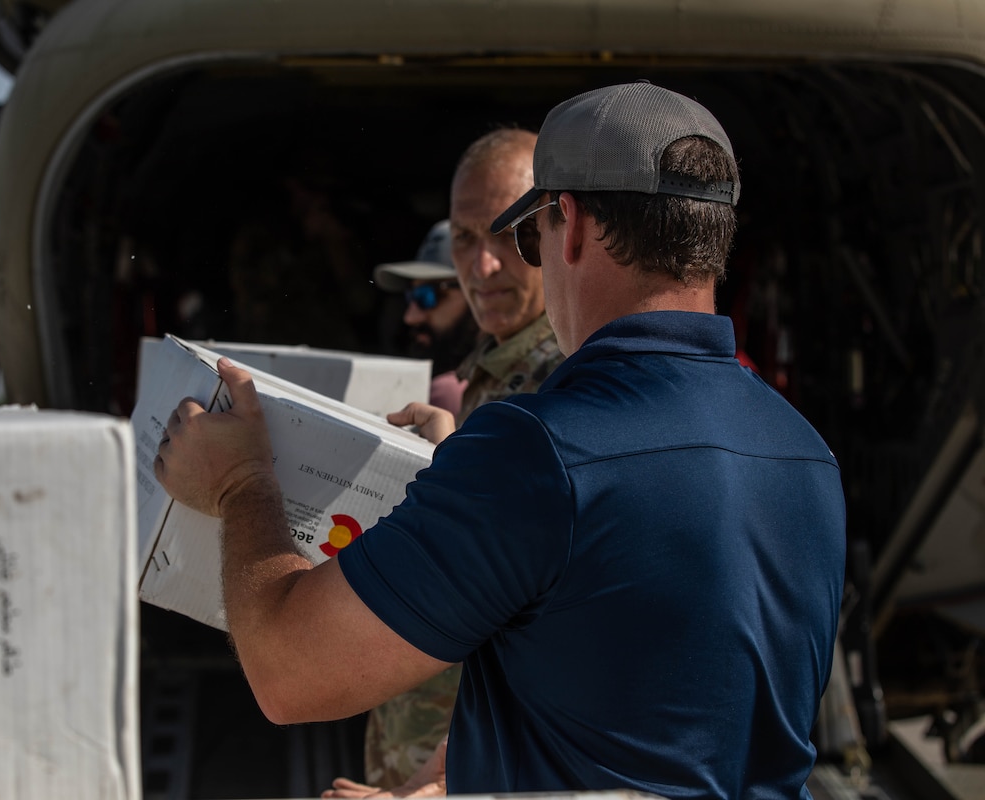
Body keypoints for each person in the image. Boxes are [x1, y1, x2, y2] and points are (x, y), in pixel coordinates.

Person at [154, 82, 846, 798]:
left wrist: (240, 483)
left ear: (568, 225)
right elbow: (645, 714)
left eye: (527, 231)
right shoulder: (806, 455)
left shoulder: (538, 452)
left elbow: (289, 674)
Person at [353, 129, 566, 794]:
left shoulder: (566, 393)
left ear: (562, 229)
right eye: (466, 240)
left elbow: (556, 638)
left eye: (507, 234)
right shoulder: (491, 376)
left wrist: (445, 786)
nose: (482, 268)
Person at [373, 220, 479, 417]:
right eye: (410, 295)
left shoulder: (449, 393)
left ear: (481, 293)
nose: (410, 317)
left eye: (427, 296)